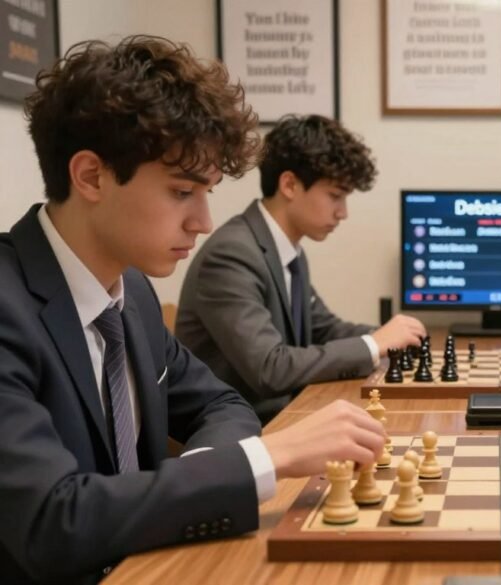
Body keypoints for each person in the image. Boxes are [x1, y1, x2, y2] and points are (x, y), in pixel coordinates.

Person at [0, 36, 386, 584]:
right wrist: (267, 458)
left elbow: (224, 405)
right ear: (90, 176)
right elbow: (52, 522)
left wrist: (185, 485)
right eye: (182, 192)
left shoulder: (129, 291)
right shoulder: (7, 306)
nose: (203, 222)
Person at [175, 114, 426, 423]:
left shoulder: (287, 251)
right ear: (290, 185)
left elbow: (324, 328)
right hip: (236, 432)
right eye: (335, 196)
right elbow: (270, 368)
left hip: (283, 416)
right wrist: (375, 344)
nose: (343, 212)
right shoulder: (232, 255)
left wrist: (392, 337)